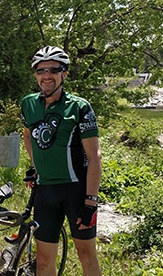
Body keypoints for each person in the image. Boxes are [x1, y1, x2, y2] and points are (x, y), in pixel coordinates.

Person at [21, 46, 102, 276]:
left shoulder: (79, 107)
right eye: (41, 70)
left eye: (54, 69)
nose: (46, 75)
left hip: (76, 191)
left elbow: (95, 156)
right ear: (36, 75)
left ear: (64, 73)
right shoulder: (28, 103)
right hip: (45, 192)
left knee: (86, 254)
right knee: (44, 260)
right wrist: (36, 166)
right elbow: (28, 134)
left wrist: (91, 201)